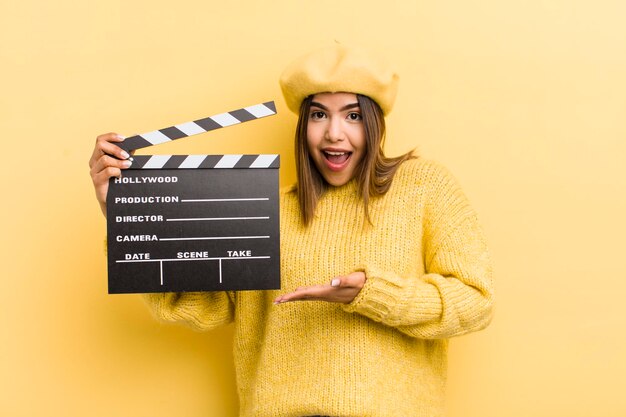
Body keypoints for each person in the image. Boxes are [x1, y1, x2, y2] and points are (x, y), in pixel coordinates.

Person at [89, 44, 494, 417]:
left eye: (352, 115)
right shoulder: (262, 210)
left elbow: (475, 300)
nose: (334, 133)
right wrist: (122, 212)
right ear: (303, 126)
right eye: (319, 114)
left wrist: (373, 294)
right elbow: (195, 304)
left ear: (374, 124)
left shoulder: (424, 186)